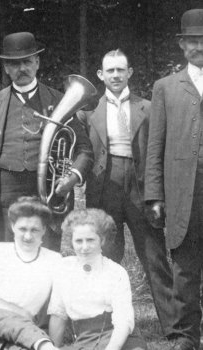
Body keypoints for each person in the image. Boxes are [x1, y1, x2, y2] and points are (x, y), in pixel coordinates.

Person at [79, 49, 173, 337]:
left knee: (153, 257)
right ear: (100, 75)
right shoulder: (88, 113)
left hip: (140, 186)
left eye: (121, 70)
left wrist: (158, 192)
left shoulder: (148, 106)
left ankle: (175, 328)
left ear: (130, 72)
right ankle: (103, 325)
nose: (116, 76)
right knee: (106, 255)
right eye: (110, 71)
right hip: (104, 186)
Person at [0, 31, 93, 251]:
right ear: (6, 68)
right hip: (6, 187)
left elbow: (85, 149)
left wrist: (72, 178)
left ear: (37, 62)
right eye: (14, 64)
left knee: (47, 249)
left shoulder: (60, 100)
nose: (21, 69)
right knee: (9, 251)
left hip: (48, 189)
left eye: (27, 62)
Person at [144, 8, 203, 350]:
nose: (199, 47)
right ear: (182, 45)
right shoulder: (165, 87)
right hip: (183, 191)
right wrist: (154, 195)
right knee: (184, 265)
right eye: (193, 41)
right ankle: (185, 335)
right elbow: (155, 145)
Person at [48, 208, 147, 350]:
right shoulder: (64, 269)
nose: (84, 247)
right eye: (78, 241)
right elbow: (58, 314)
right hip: (84, 341)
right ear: (71, 241)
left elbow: (123, 321)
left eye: (90, 240)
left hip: (120, 339)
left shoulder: (115, 272)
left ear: (102, 239)